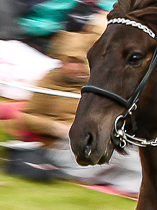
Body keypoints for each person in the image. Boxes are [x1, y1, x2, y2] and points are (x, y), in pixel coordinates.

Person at [19, 30, 143, 195]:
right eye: (69, 62)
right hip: (64, 148)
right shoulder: (51, 80)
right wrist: (56, 127)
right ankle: (147, 188)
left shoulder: (99, 81)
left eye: (78, 62)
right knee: (119, 156)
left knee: (140, 148)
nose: (73, 67)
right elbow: (27, 117)